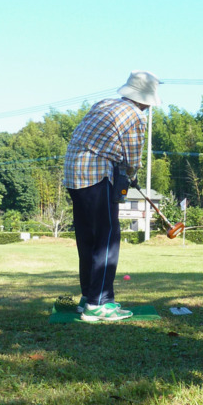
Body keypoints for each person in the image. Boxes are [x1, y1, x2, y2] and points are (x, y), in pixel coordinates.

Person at [64, 71, 161, 322]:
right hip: (96, 174)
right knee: (107, 239)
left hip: (73, 174)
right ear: (146, 100)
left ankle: (88, 297)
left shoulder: (104, 103)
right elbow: (132, 158)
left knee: (87, 238)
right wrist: (131, 174)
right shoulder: (136, 116)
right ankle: (99, 303)